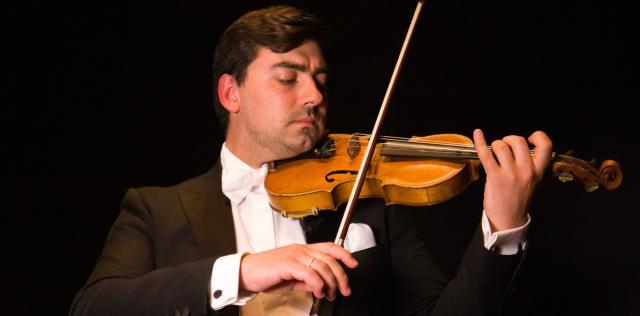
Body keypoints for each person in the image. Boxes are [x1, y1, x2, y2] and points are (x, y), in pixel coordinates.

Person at [70, 5, 552, 316]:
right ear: (230, 92)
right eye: (289, 77)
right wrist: (245, 270)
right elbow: (93, 307)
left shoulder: (367, 203)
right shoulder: (156, 210)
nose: (315, 95)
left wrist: (502, 228)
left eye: (320, 79)